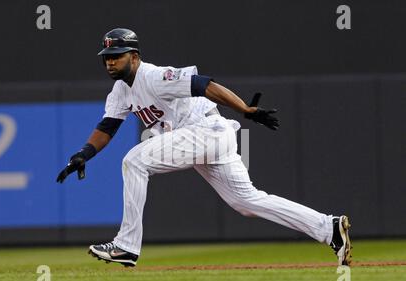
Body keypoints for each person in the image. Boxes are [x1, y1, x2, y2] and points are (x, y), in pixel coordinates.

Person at [56, 28, 352, 267]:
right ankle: (328, 227)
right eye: (107, 56)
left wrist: (244, 110)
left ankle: (126, 246)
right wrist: (84, 154)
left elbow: (204, 84)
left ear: (134, 56)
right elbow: (107, 127)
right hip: (203, 138)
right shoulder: (120, 91)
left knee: (134, 162)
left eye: (117, 55)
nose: (110, 61)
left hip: (205, 130)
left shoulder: (155, 76)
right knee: (246, 202)